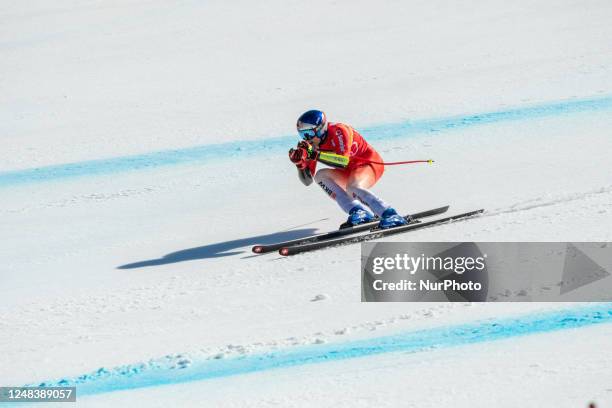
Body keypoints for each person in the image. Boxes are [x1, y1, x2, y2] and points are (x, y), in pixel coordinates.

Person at [288, 109, 410, 229]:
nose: (306, 138)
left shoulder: (339, 131)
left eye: (308, 133)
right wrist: (300, 164)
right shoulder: (310, 146)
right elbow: (307, 181)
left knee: (353, 186)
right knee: (320, 176)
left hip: (368, 164)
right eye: (302, 134)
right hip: (350, 171)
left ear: (320, 130)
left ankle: (390, 213)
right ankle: (358, 211)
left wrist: (314, 154)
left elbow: (343, 161)